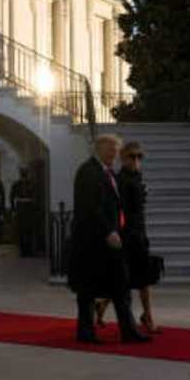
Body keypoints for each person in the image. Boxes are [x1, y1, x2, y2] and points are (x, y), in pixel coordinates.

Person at [67, 134, 150, 344]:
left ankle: (128, 331)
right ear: (99, 149)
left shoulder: (108, 172)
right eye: (111, 150)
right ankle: (86, 333)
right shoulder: (88, 171)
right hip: (92, 243)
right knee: (87, 290)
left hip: (110, 242)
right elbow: (90, 207)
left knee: (121, 286)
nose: (115, 154)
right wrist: (108, 231)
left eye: (116, 150)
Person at [96, 142, 160, 333]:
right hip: (128, 236)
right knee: (130, 279)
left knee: (138, 278)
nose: (136, 161)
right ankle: (146, 317)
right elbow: (119, 210)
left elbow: (138, 207)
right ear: (123, 158)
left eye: (140, 157)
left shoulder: (136, 177)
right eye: (132, 156)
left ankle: (145, 316)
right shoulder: (121, 179)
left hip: (139, 233)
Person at [10, 167, 38, 257]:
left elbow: (35, 197)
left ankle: (29, 251)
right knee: (21, 231)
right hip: (21, 209)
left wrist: (35, 208)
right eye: (22, 172)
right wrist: (13, 209)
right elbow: (12, 196)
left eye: (25, 172)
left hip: (29, 210)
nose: (24, 174)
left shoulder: (32, 184)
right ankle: (23, 251)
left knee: (29, 231)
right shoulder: (16, 184)